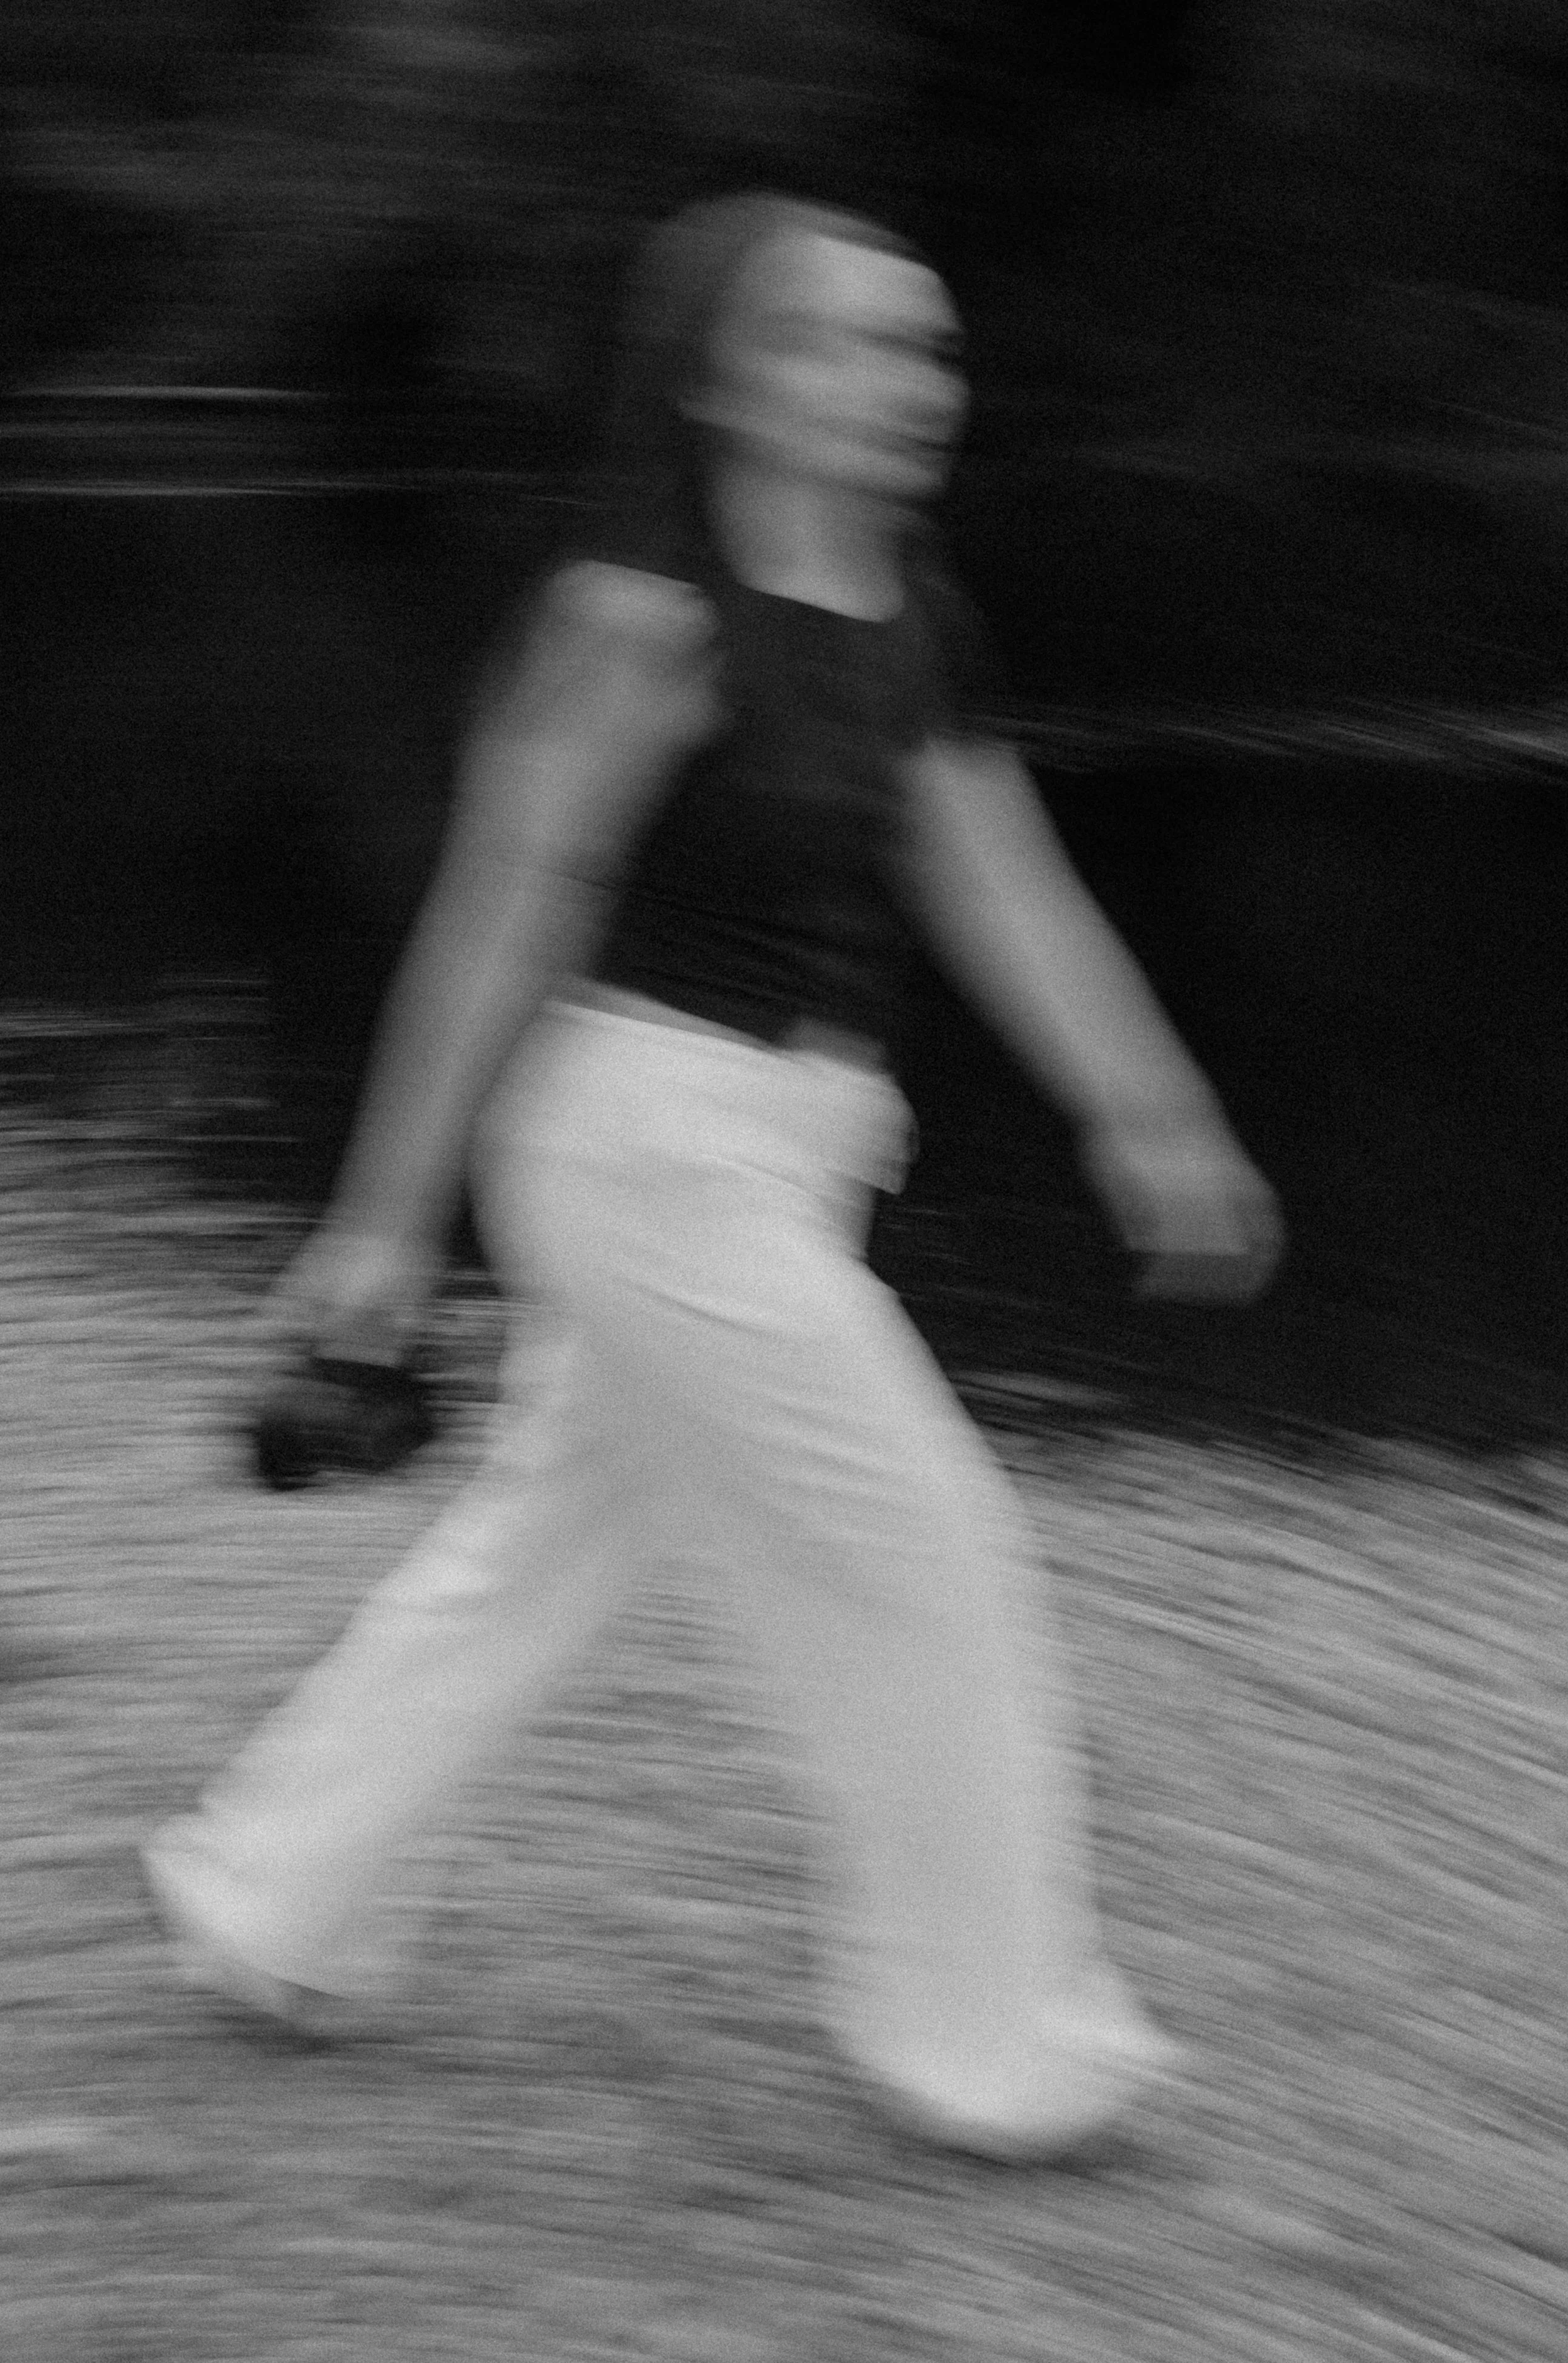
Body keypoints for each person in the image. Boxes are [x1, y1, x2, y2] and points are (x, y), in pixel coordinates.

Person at [142, 192, 1282, 2164]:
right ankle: (985, 2044)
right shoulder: (638, 618)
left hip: (797, 1148)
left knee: (542, 1556)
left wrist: (1150, 1112)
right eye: (849, 342)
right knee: (930, 1545)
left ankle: (269, 1898)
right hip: (642, 1152)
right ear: (724, 382)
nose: (911, 383)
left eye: (923, 345)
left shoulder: (906, 618)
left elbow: (1001, 885)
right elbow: (499, 917)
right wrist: (382, 1223)